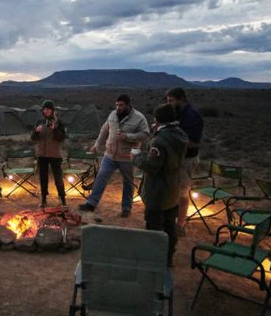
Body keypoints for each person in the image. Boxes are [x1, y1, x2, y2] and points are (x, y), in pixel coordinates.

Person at [134, 104, 188, 267]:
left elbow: (153, 166)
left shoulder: (160, 140)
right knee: (170, 225)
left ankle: (154, 260)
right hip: (173, 187)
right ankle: (168, 257)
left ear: (157, 119)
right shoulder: (180, 134)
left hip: (158, 190)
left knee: (154, 227)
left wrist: (136, 157)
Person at [79, 94, 150, 217]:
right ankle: (91, 203)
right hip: (110, 155)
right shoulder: (112, 115)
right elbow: (104, 130)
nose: (118, 107)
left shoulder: (139, 118)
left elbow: (145, 134)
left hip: (127, 156)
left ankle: (126, 208)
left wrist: (128, 136)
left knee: (128, 182)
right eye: (117, 105)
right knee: (101, 177)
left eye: (121, 105)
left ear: (128, 105)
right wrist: (97, 145)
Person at [165, 87, 204, 238]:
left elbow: (194, 143)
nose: (169, 104)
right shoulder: (175, 113)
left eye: (171, 100)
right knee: (173, 189)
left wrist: (172, 139)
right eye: (167, 101)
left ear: (182, 99)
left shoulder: (192, 116)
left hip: (187, 159)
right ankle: (171, 219)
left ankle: (180, 224)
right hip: (175, 158)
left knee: (182, 191)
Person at [31, 100, 67, 209]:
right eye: (44, 109)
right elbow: (33, 138)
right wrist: (36, 131)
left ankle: (62, 198)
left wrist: (55, 129)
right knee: (43, 178)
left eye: (48, 109)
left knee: (58, 178)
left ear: (52, 110)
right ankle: (43, 199)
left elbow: (61, 138)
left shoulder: (58, 122)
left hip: (54, 155)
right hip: (42, 155)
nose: (46, 111)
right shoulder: (39, 122)